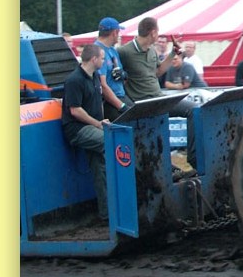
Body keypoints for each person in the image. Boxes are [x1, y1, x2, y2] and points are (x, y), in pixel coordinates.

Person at [118, 17, 198, 171]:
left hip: (159, 99)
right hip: (143, 103)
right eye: (158, 32)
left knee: (194, 109)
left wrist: (172, 53)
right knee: (156, 138)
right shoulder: (124, 52)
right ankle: (171, 168)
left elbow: (158, 72)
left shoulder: (152, 51)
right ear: (153, 33)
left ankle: (194, 158)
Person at [61, 44, 110, 220]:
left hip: (94, 126)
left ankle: (107, 213)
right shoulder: (74, 80)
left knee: (100, 168)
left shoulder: (95, 76)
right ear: (94, 59)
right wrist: (98, 124)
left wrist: (101, 121)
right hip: (77, 129)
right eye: (102, 58)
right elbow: (75, 110)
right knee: (111, 142)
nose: (104, 61)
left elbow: (97, 103)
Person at [94, 17, 133, 121]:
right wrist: (121, 106)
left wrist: (123, 75)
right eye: (118, 32)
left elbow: (121, 76)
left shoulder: (112, 50)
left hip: (121, 95)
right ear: (114, 32)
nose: (119, 35)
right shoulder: (97, 51)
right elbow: (102, 85)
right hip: (109, 102)